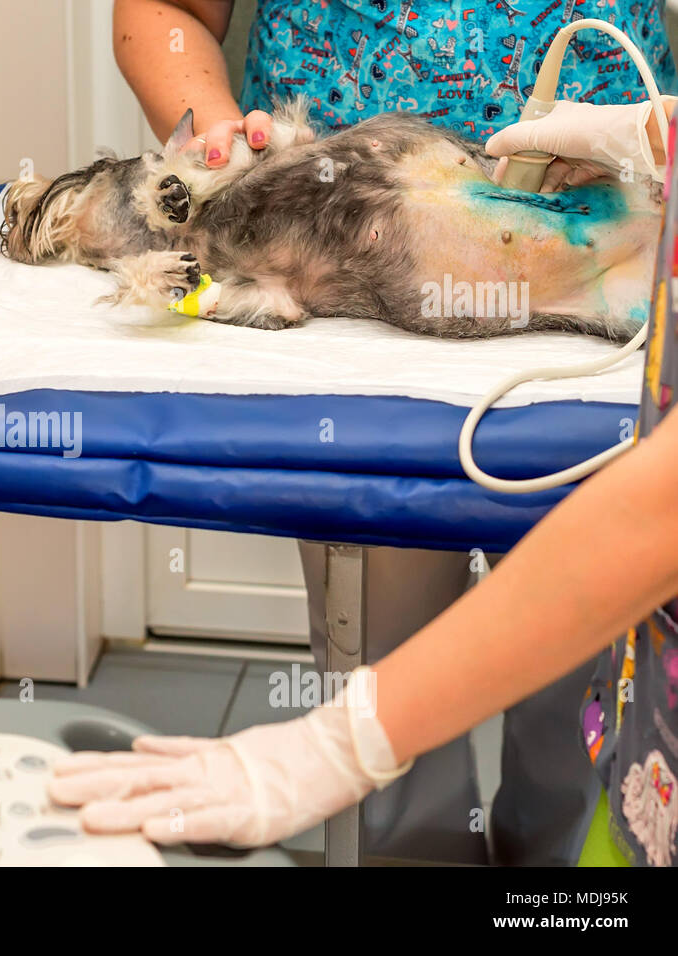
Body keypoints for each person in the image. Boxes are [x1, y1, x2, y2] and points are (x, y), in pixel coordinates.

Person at [106, 0, 678, 864]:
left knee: (595, 703)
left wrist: (641, 133)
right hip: (347, 264)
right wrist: (229, 150)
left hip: (613, 251)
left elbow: (645, 531)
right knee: (381, 667)